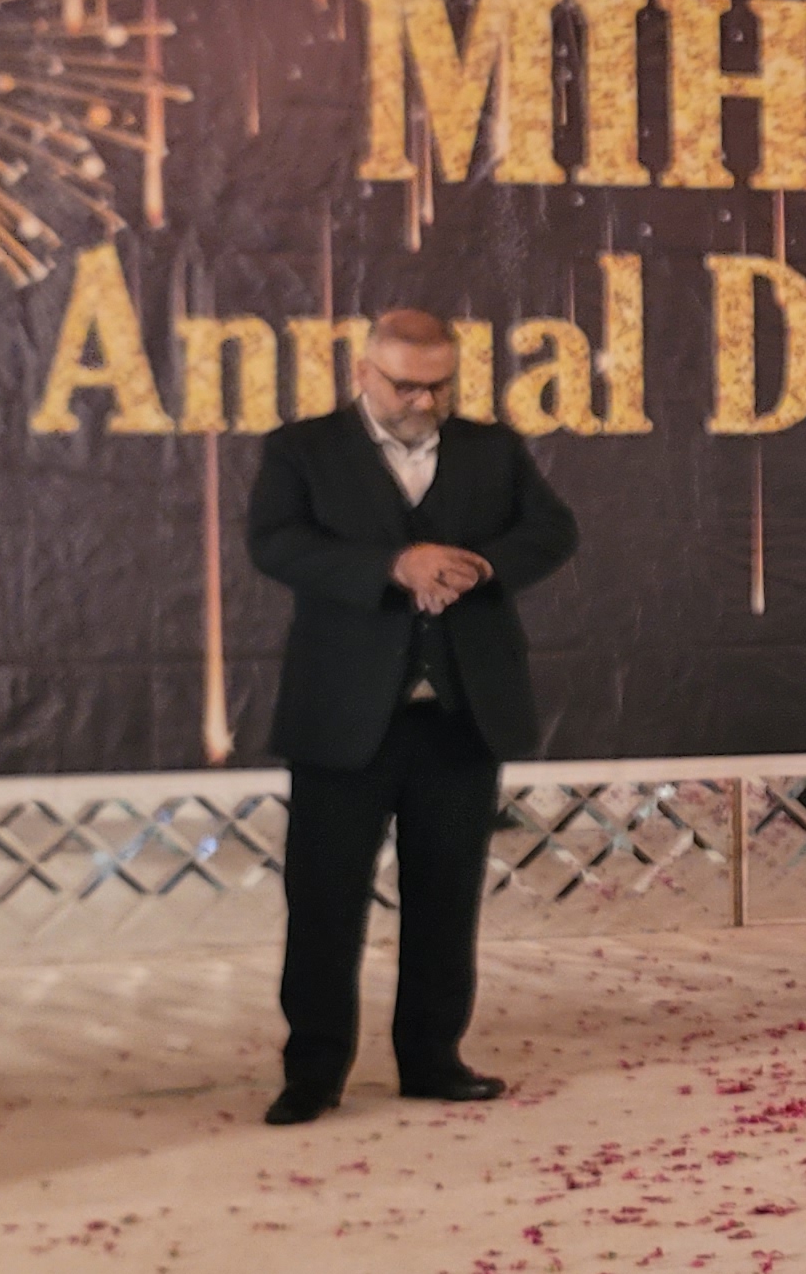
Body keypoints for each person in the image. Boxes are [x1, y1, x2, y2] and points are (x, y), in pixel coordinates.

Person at [244, 307, 580, 1125]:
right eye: (404, 386)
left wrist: (481, 567)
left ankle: (433, 1057)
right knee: (325, 902)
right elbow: (275, 543)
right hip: (342, 715)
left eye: (439, 386)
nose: (423, 402)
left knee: (446, 898)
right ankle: (314, 1071)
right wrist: (393, 565)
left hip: (461, 714)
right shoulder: (302, 449)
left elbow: (552, 531)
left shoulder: (492, 448)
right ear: (362, 373)